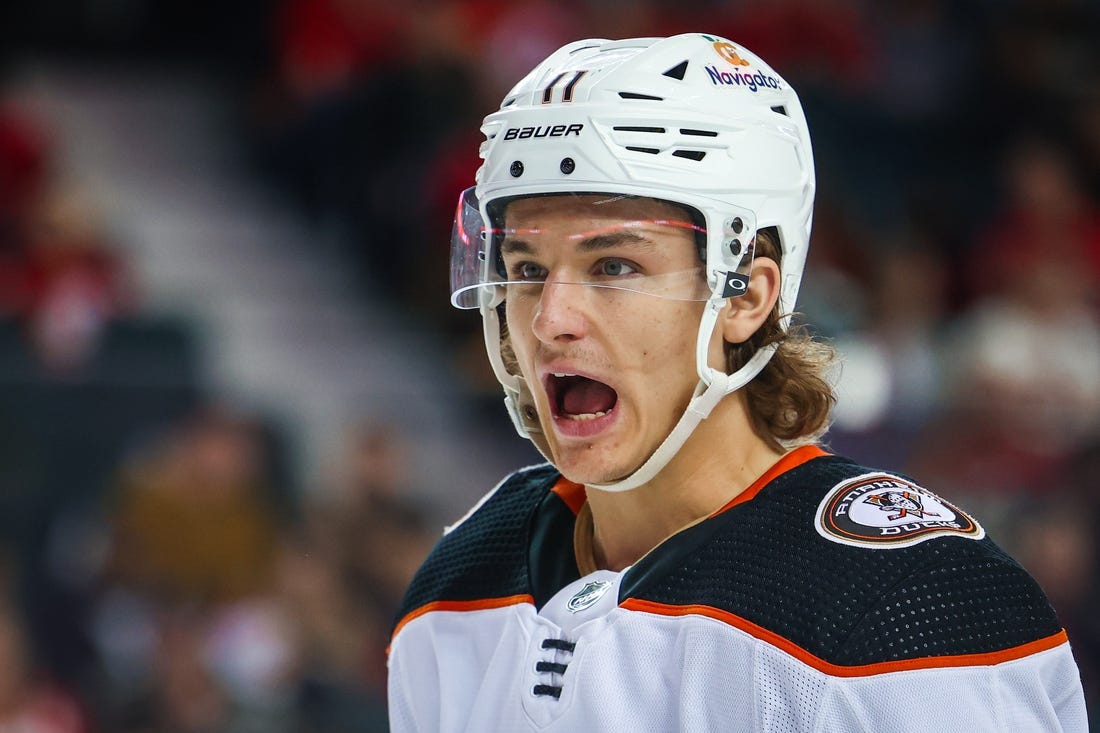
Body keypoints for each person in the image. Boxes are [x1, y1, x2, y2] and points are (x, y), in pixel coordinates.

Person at [386, 34, 1088, 731]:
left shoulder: (908, 610)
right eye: (528, 268)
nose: (550, 321)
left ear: (746, 295)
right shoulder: (456, 589)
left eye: (614, 266)